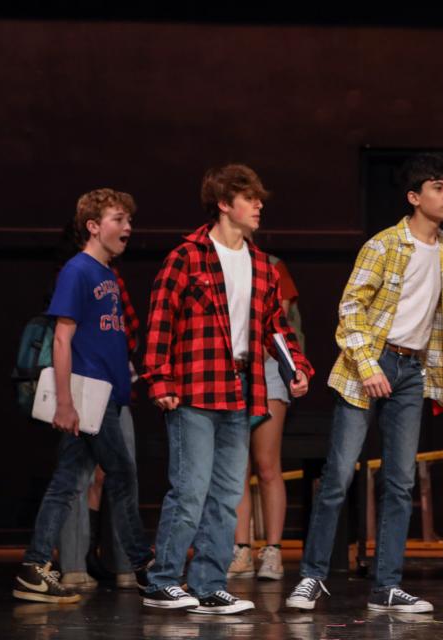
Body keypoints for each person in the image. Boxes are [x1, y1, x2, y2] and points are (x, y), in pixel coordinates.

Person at [285, 154, 443, 613]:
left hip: (412, 371)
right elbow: (350, 309)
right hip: (370, 364)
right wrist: (368, 365)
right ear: (414, 197)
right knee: (339, 475)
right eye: (438, 187)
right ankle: (311, 577)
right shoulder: (384, 245)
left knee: (400, 482)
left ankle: (386, 587)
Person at [142, 164, 312, 614]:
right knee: (191, 489)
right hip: (195, 388)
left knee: (226, 493)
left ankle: (208, 584)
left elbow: (276, 325)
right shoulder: (188, 256)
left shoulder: (260, 263)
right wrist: (159, 378)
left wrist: (297, 367)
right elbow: (160, 320)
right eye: (249, 198)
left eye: (259, 198)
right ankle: (163, 580)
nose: (258, 206)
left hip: (241, 387)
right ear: (223, 203)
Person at [13, 189, 153, 603]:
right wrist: (65, 403)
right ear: (93, 226)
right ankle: (145, 567)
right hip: (88, 395)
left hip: (107, 393)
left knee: (67, 481)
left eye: (129, 219)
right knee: (123, 476)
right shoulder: (78, 271)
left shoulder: (108, 274)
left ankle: (33, 568)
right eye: (117, 219)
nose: (127, 227)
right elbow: (62, 338)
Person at [227, 254, 301, 581]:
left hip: (268, 366)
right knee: (235, 466)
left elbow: (277, 318)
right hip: (231, 367)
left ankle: (272, 550)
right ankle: (240, 549)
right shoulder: (214, 261)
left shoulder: (271, 264)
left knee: (268, 464)